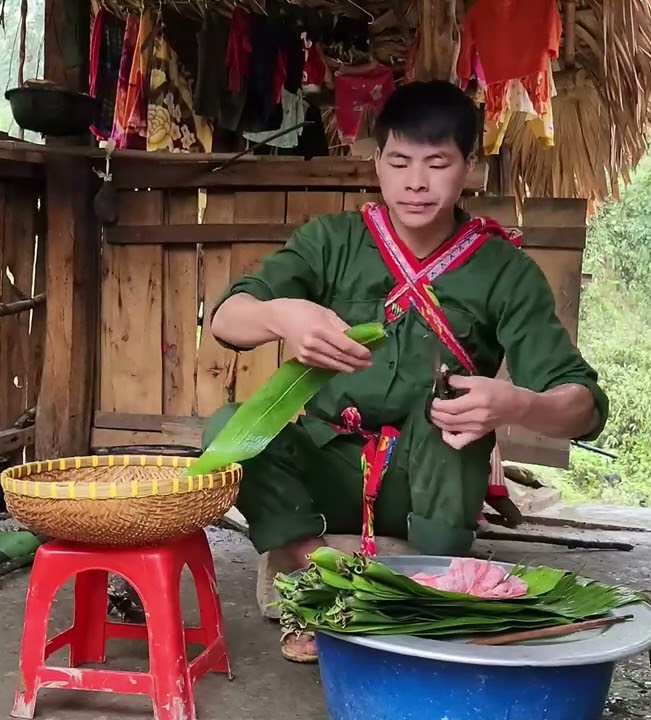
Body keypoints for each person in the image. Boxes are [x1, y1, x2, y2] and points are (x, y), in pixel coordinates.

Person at [202, 80, 609, 663]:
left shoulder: (503, 269)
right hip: (326, 469)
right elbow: (227, 318)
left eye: (438, 162)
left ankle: (426, 601)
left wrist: (515, 404)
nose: (416, 182)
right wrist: (279, 314)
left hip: (427, 483)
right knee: (226, 429)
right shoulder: (332, 241)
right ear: (378, 162)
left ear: (469, 166)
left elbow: (582, 404)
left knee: (453, 426)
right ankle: (317, 575)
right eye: (399, 161)